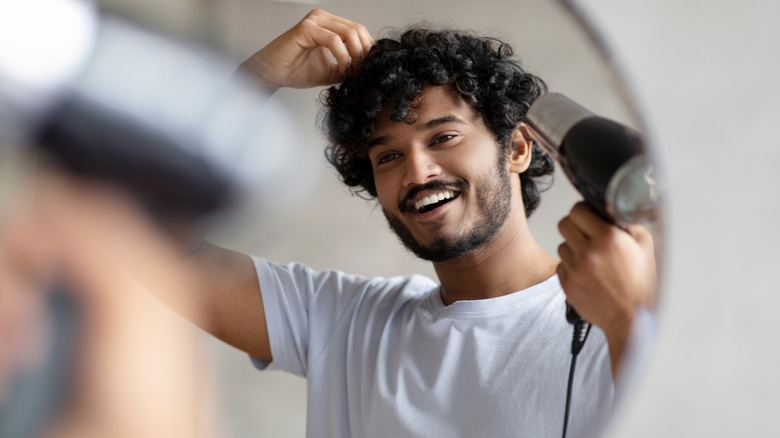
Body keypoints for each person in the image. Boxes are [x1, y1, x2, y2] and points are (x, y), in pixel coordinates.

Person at [175, 9, 657, 438]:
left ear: (517, 148)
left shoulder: (619, 316)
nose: (417, 172)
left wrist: (626, 321)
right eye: (387, 156)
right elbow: (135, 236)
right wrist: (245, 84)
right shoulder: (343, 324)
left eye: (443, 136)